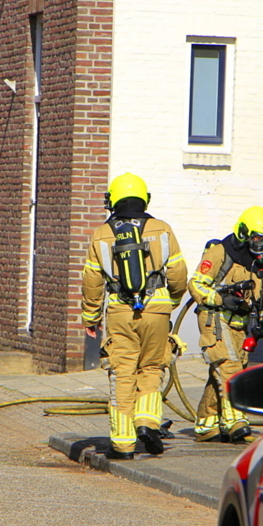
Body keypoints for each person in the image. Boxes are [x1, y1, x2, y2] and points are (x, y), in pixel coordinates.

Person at [81, 173, 188, 459]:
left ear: (113, 199)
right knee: (152, 367)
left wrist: (91, 317)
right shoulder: (162, 229)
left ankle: (123, 444)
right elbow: (178, 273)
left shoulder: (101, 233)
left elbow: (92, 281)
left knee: (122, 372)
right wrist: (171, 301)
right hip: (158, 308)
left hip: (119, 310)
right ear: (145, 198)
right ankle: (147, 422)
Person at [187, 206, 263, 443]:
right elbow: (196, 284)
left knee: (222, 370)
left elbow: (260, 296)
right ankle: (236, 422)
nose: (262, 244)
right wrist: (220, 298)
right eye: (258, 237)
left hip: (239, 325)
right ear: (243, 232)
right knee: (229, 369)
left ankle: (206, 425)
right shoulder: (219, 253)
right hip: (215, 319)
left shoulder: (257, 261)